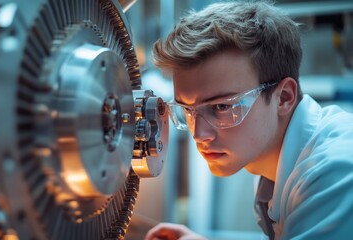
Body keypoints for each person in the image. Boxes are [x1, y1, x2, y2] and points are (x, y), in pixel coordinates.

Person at [144, 1, 353, 240]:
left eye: (221, 106)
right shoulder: (273, 167)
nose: (199, 134)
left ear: (283, 97)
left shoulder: (334, 174)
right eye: (187, 110)